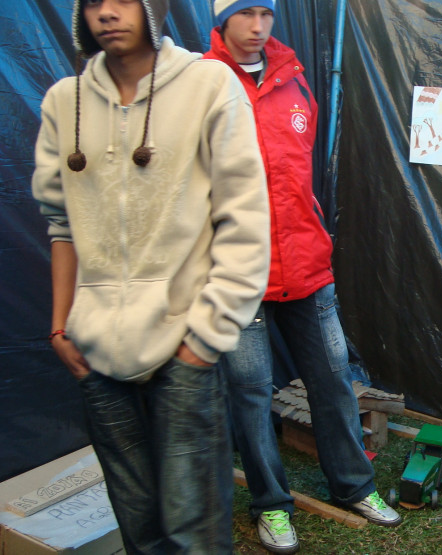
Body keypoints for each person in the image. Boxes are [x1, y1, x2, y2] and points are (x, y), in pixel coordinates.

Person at [31, 0, 270, 552]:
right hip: (95, 355)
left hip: (182, 346)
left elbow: (246, 219)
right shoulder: (63, 103)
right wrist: (60, 328)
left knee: (195, 534)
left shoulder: (208, 85)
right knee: (139, 532)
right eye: (93, 2)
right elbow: (60, 223)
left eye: (121, 0)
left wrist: (205, 339)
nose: (107, 13)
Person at [203, 1, 402, 551]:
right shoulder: (201, 83)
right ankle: (271, 504)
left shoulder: (295, 81)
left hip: (307, 263)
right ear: (222, 20)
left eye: (267, 13)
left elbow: (300, 172)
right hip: (238, 274)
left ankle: (354, 485)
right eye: (246, 13)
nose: (260, 25)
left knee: (334, 380)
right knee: (249, 393)